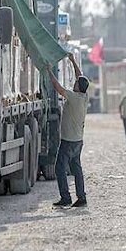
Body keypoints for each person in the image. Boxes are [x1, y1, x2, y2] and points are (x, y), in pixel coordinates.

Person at [47, 53, 89, 208]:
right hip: (78, 140)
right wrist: (72, 61)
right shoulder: (84, 97)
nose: (74, 83)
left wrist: (49, 71)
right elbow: (81, 77)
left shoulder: (73, 96)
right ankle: (81, 197)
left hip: (68, 141)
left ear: (78, 87)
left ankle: (66, 197)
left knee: (59, 168)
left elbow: (58, 88)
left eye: (76, 83)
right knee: (76, 169)